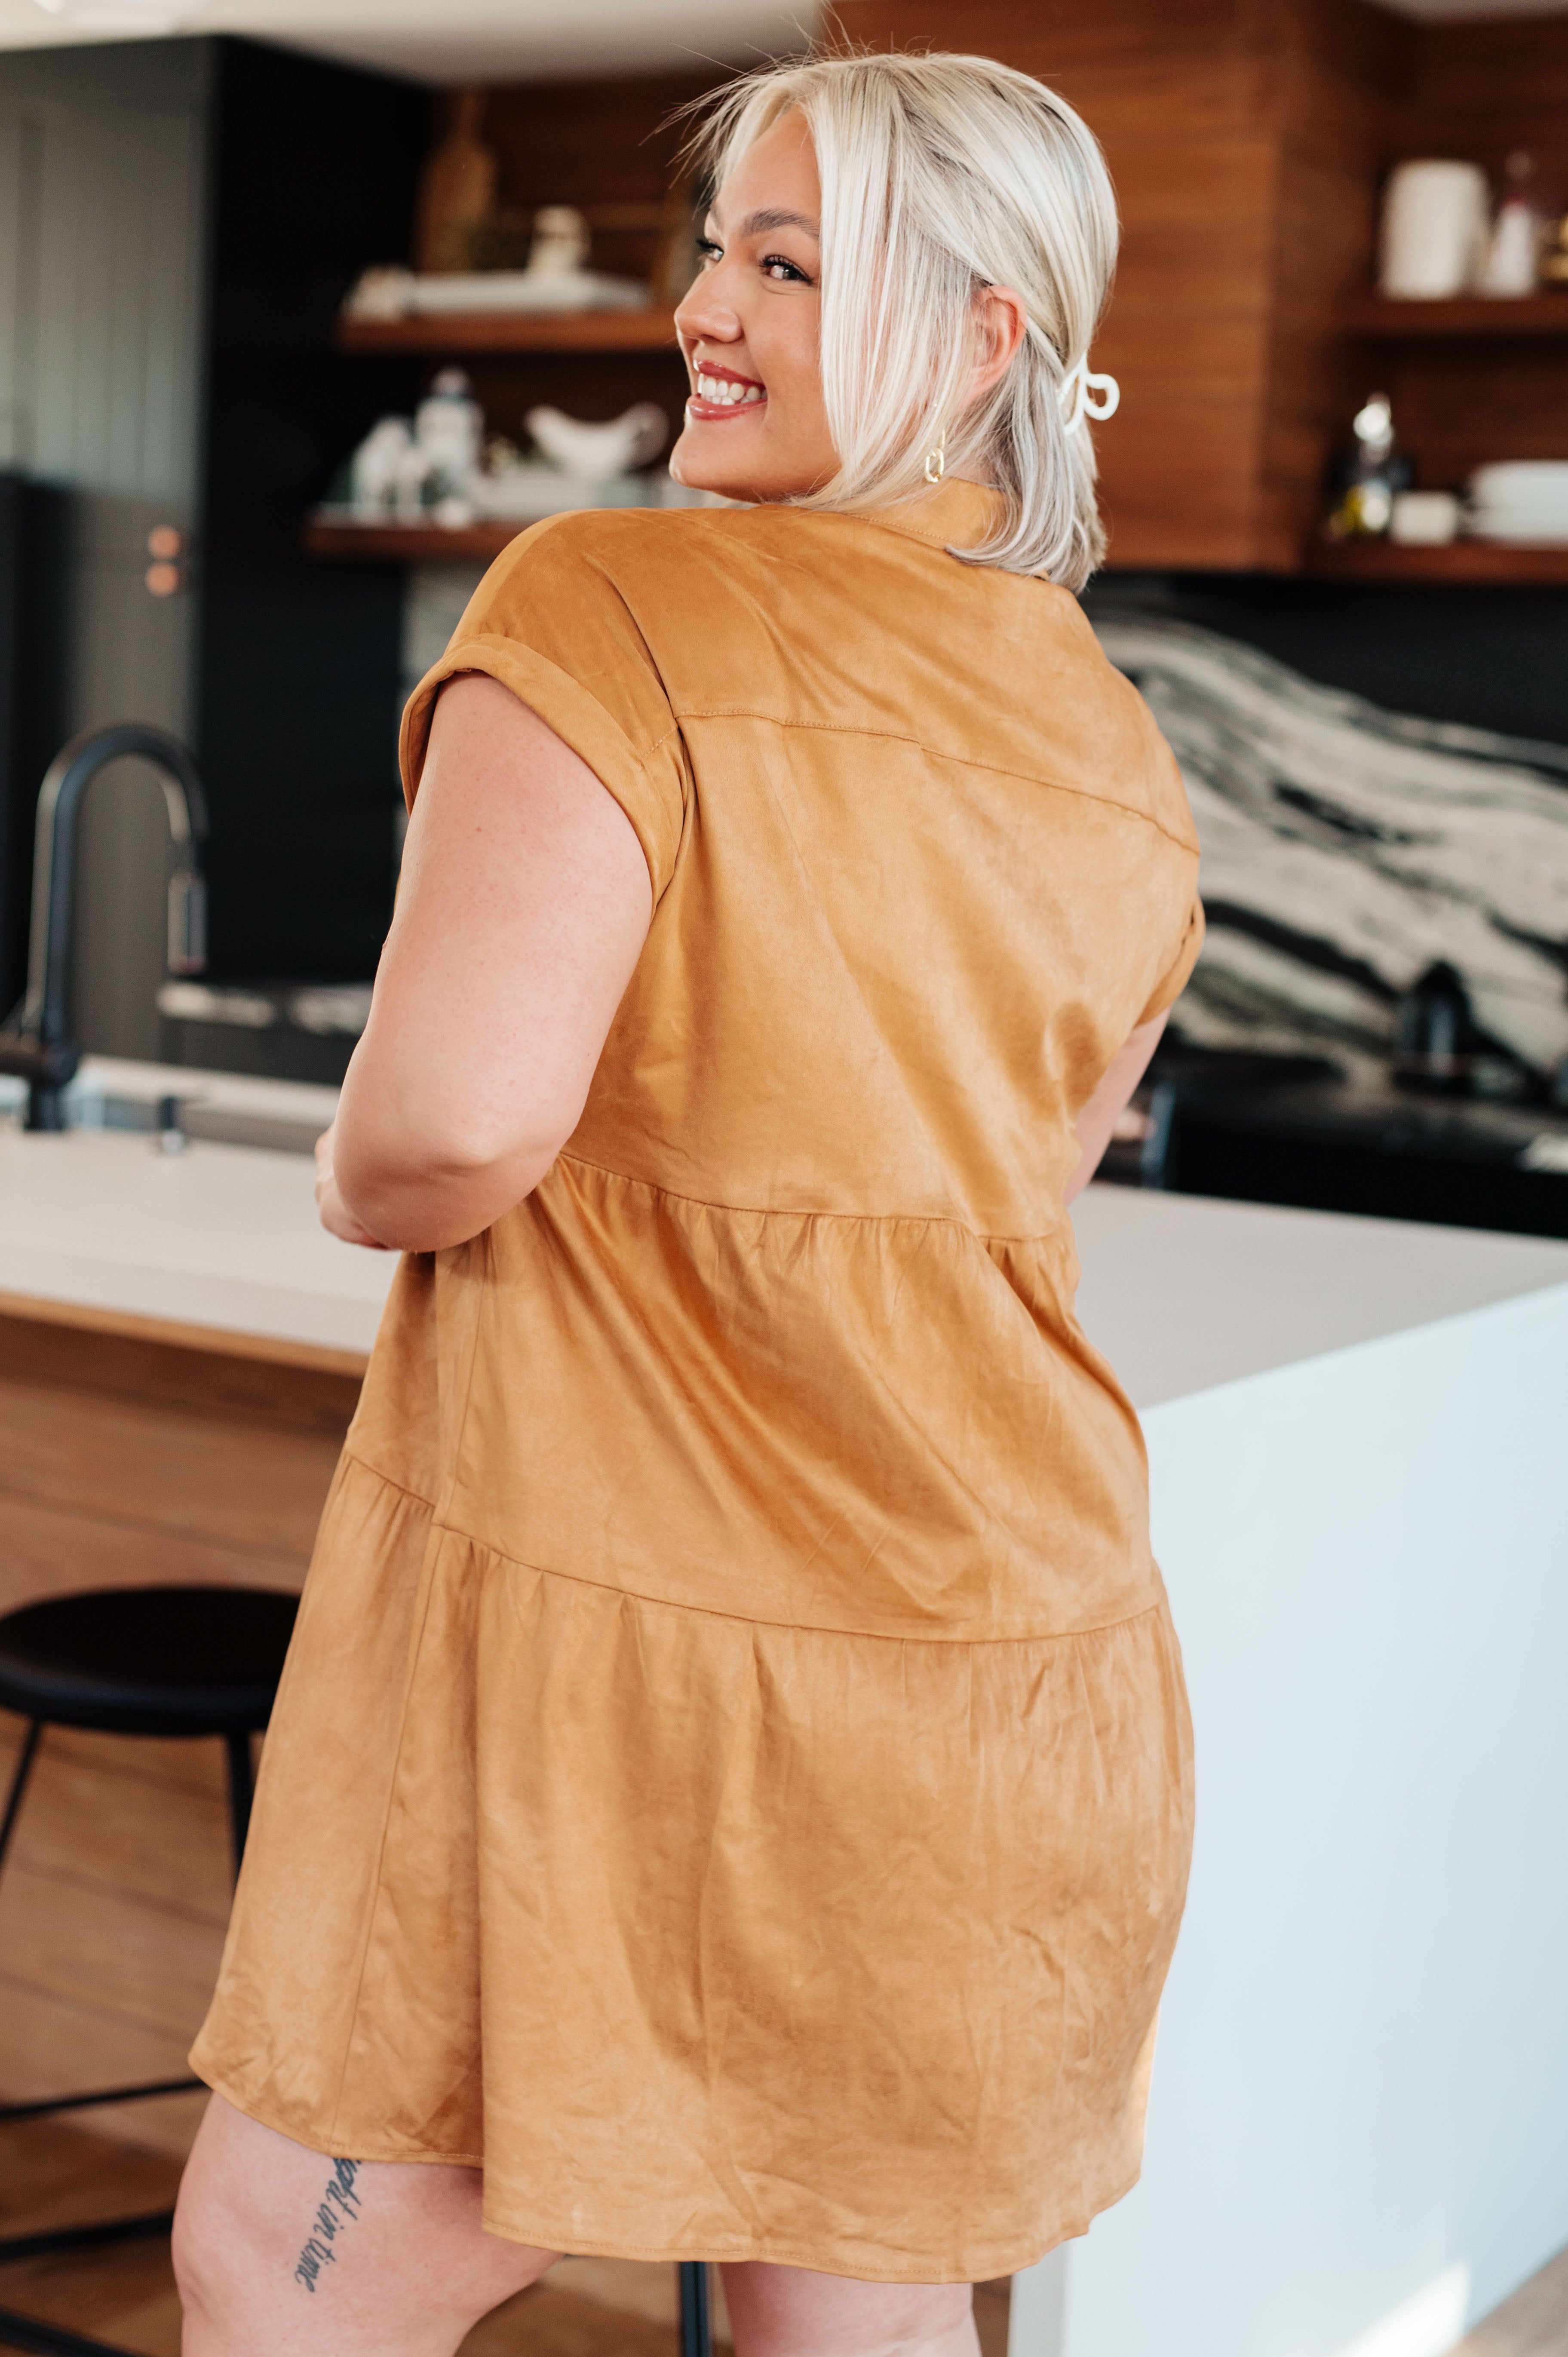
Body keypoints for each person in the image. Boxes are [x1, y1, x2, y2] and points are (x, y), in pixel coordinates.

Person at [173, 49, 1202, 2357]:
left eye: (791, 265)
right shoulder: (1116, 747)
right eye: (718, 249)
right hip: (994, 1675)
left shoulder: (613, 599)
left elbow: (441, 1131)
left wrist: (347, 1166)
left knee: (276, 2278)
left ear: (982, 336)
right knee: (861, 2334)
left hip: (628, 1677)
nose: (704, 310)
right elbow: (1023, 1195)